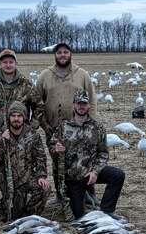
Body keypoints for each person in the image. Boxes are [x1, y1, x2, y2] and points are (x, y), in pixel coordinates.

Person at [35, 41, 98, 202]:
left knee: (83, 160)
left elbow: (92, 100)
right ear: (55, 55)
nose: (62, 55)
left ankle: (88, 194)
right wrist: (44, 125)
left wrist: (93, 124)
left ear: (70, 54)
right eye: (59, 53)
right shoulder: (45, 76)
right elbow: (37, 103)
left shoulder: (82, 75)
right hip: (53, 128)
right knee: (58, 162)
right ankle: (61, 195)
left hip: (79, 127)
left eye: (65, 52)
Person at [0, 49, 41, 209]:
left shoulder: (26, 84)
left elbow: (39, 106)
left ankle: (18, 193)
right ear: (0, 64)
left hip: (19, 133)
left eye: (11, 62)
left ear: (15, 63)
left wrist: (32, 125)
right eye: (5, 62)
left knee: (19, 163)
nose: (8, 65)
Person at [49, 91, 125, 220]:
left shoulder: (97, 127)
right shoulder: (63, 127)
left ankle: (106, 212)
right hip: (72, 178)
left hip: (90, 172)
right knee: (79, 215)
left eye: (84, 103)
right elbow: (51, 147)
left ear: (89, 106)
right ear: (74, 105)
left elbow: (103, 153)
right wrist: (55, 149)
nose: (81, 106)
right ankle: (83, 197)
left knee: (117, 175)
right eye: (79, 103)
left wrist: (95, 172)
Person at [0, 101, 49, 219]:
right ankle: (9, 206)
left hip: (27, 177)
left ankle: (29, 217)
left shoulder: (33, 135)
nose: (16, 119)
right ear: (9, 117)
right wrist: (2, 142)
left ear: (24, 117)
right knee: (12, 215)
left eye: (19, 116)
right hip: (9, 182)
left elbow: (41, 158)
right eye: (13, 116)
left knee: (44, 188)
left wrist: (41, 176)